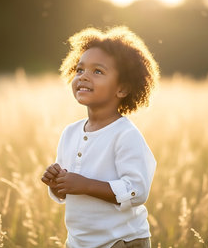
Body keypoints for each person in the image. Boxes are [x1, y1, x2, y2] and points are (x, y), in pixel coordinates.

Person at [41, 26, 159, 248]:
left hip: (121, 241)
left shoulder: (125, 135)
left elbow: (136, 190)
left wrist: (85, 185)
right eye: (79, 70)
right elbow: (67, 191)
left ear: (122, 89)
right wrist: (56, 182)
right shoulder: (70, 133)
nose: (84, 76)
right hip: (79, 242)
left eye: (98, 72)